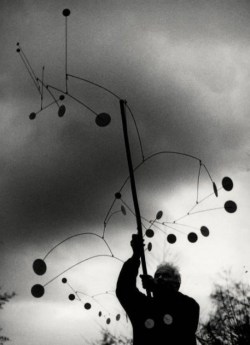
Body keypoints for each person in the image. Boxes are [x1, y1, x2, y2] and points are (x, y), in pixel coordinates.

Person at [116, 234, 200, 345]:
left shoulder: (189, 306)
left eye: (166, 275)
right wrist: (135, 256)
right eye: (157, 275)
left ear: (177, 284)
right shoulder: (143, 307)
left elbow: (183, 325)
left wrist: (157, 288)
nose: (160, 278)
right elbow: (124, 290)